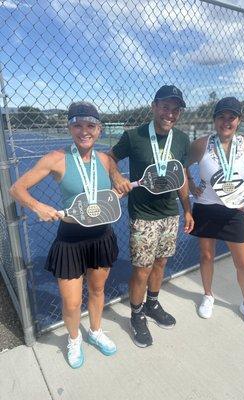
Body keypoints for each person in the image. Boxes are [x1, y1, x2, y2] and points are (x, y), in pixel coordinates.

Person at [10, 102, 128, 368]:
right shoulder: (56, 159)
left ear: (98, 130)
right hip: (70, 241)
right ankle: (74, 338)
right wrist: (38, 206)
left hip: (102, 237)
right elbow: (17, 189)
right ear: (69, 127)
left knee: (98, 290)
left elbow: (112, 185)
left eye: (90, 126)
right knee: (72, 302)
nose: (84, 131)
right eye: (77, 125)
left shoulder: (106, 160)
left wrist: (119, 186)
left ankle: (96, 331)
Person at [108, 85, 194, 347]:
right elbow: (110, 157)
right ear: (154, 106)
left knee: (160, 264)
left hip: (170, 214)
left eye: (175, 109)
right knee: (142, 270)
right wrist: (118, 177)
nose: (170, 113)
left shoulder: (181, 139)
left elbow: (180, 177)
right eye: (165, 107)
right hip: (143, 215)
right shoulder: (133, 136)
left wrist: (187, 209)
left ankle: (152, 304)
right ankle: (136, 315)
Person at [187, 97, 244, 329]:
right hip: (206, 209)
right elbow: (181, 167)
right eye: (221, 116)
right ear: (214, 120)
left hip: (236, 213)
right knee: (206, 256)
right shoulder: (201, 144)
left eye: (231, 117)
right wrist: (191, 186)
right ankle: (208, 295)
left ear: (239, 120)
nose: (226, 121)